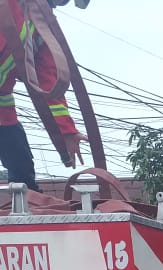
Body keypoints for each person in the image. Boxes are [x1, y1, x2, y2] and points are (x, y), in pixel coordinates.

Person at [0, 0, 85, 191]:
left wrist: (68, 131)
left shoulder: (39, 27)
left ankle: (26, 204)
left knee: (21, 171)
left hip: (2, 109)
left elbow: (49, 83)